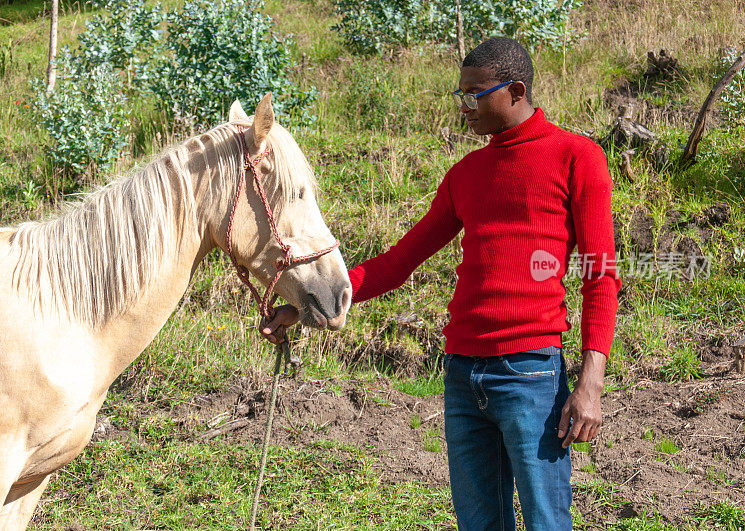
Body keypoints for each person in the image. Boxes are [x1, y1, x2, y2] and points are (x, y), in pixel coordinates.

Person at [260, 36, 620, 531]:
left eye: (474, 94)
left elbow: (600, 273)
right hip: (462, 374)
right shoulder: (465, 173)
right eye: (459, 94)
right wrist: (309, 305)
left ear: (515, 90)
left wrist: (591, 381)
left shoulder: (577, 157)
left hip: (531, 375)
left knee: (546, 524)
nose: (464, 107)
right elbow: (401, 260)